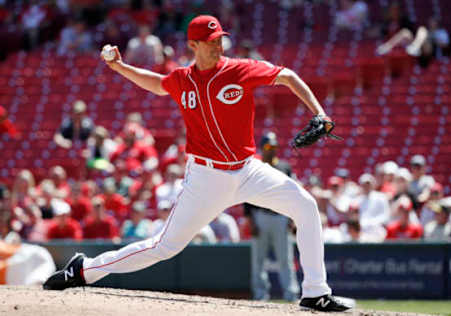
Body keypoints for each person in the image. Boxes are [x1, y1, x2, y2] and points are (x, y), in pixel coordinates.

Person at [43, 15, 352, 312]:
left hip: (248, 170)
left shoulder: (240, 70)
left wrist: (320, 113)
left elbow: (287, 76)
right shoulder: (183, 78)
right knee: (164, 247)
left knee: (307, 206)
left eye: (219, 39)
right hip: (206, 178)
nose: (218, 45)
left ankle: (315, 292)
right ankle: (85, 270)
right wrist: (120, 67)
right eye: (210, 41)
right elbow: (156, 83)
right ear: (194, 45)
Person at [244, 132, 299, 301]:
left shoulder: (284, 167)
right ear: (262, 148)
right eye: (268, 146)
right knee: (258, 261)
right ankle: (260, 295)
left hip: (280, 217)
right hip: (260, 216)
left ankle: (291, 295)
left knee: (286, 260)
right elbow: (247, 195)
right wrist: (251, 221)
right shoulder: (255, 167)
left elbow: (293, 194)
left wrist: (292, 218)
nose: (272, 150)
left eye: (274, 146)